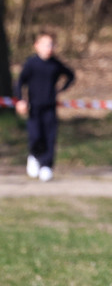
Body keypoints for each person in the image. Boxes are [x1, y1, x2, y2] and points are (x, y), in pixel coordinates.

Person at [15, 31, 75, 183]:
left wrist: (61, 89)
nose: (50, 48)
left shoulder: (55, 64)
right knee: (35, 135)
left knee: (50, 136)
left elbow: (71, 75)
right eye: (46, 44)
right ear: (37, 46)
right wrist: (21, 100)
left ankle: (46, 165)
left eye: (52, 45)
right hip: (34, 107)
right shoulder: (31, 63)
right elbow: (20, 82)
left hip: (50, 107)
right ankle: (34, 156)